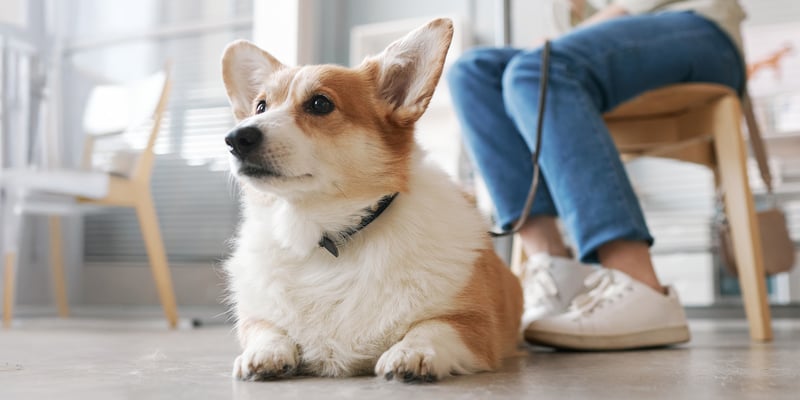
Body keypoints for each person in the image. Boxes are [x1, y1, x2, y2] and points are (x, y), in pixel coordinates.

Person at [447, 0, 746, 350]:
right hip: (609, 57)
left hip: (700, 30)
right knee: (472, 72)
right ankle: (556, 273)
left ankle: (639, 283)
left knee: (535, 72)